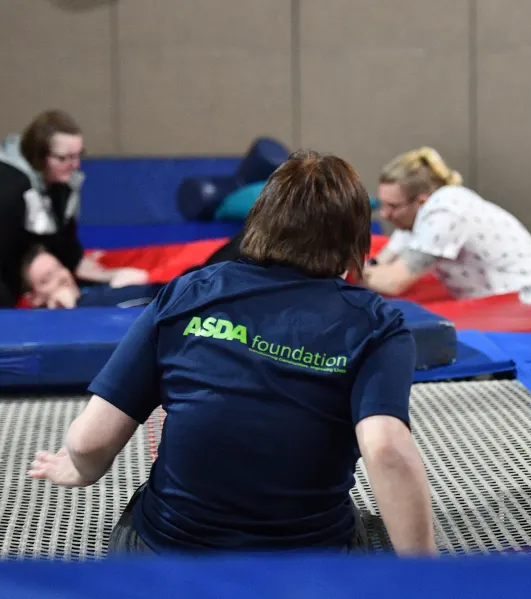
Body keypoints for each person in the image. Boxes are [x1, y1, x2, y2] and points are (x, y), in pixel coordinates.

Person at [28, 149, 438, 556]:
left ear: (260, 220)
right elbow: (386, 449)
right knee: (375, 528)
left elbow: (88, 440)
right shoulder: (376, 324)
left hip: (170, 551)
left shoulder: (189, 293)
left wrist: (80, 468)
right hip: (306, 561)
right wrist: (427, 577)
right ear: (354, 239)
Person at [362, 147, 531, 316]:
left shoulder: (445, 211)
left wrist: (347, 272)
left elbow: (392, 281)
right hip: (509, 315)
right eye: (383, 205)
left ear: (420, 201)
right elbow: (378, 266)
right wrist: (364, 270)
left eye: (392, 206)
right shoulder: (412, 220)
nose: (385, 214)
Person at [0, 110, 149, 308]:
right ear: (40, 156)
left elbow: (67, 250)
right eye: (64, 158)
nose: (75, 165)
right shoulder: (10, 190)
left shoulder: (63, 185)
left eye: (78, 156)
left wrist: (109, 276)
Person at [20, 245, 162, 309]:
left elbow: (139, 277)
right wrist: (68, 313)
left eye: (59, 268)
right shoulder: (42, 330)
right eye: (47, 279)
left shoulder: (92, 292)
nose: (61, 277)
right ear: (33, 299)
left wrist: (96, 275)